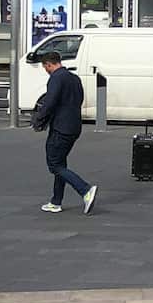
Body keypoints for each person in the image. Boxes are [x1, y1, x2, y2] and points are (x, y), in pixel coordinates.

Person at [32, 51, 97, 216]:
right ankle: (56, 201)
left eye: (45, 67)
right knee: (60, 164)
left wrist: (39, 120)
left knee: (54, 164)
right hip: (74, 126)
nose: (45, 70)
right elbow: (79, 99)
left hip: (61, 127)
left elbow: (50, 101)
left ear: (48, 64)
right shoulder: (74, 78)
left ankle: (85, 189)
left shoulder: (56, 78)